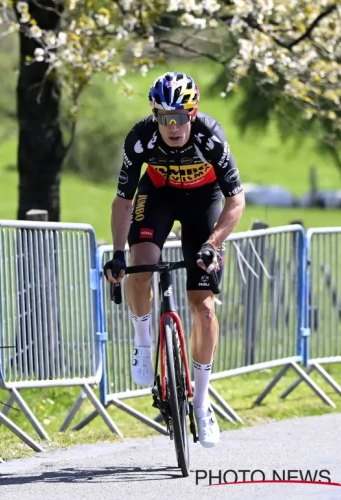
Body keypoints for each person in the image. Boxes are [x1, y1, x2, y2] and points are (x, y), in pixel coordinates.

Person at [103, 71, 246, 448]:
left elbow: (236, 201)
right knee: (141, 268)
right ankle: (143, 343)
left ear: (193, 114)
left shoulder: (210, 136)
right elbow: (122, 200)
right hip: (159, 196)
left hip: (205, 200)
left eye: (181, 117)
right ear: (155, 115)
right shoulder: (140, 139)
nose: (174, 126)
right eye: (166, 117)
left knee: (204, 308)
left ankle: (201, 405)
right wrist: (118, 253)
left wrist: (213, 244)